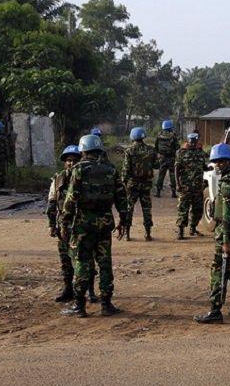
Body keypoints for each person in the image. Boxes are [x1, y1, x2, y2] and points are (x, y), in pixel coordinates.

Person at [60, 134, 128, 318]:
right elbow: (121, 197)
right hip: (105, 223)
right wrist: (123, 219)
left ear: (84, 150)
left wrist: (64, 222)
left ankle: (79, 306)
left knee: (82, 262)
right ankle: (106, 304)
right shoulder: (111, 170)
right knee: (105, 263)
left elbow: (71, 198)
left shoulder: (78, 169)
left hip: (83, 224)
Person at [194, 143, 230, 324]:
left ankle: (215, 311)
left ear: (228, 161)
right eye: (215, 162)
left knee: (219, 270)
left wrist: (226, 240)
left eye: (220, 162)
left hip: (228, 234)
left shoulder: (228, 183)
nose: (217, 165)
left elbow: (227, 215)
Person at [47, 145, 81, 302]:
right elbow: (52, 203)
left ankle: (88, 291)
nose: (71, 163)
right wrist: (52, 225)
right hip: (64, 226)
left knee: (83, 259)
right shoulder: (58, 179)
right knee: (65, 260)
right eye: (68, 160)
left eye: (75, 160)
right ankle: (68, 289)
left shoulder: (84, 178)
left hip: (81, 225)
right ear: (64, 162)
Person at [122, 127, 157, 242]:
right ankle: (147, 234)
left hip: (132, 184)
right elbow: (156, 165)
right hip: (146, 184)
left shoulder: (129, 151)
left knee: (129, 208)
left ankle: (127, 234)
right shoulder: (151, 150)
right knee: (146, 209)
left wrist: (123, 183)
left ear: (132, 137)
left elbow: (126, 170)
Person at [175, 132, 209, 240]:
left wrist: (211, 169)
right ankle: (180, 232)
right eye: (191, 141)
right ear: (188, 141)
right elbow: (176, 169)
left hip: (198, 187)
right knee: (182, 209)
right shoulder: (181, 153)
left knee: (198, 210)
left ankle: (193, 228)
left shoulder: (201, 153)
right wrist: (177, 184)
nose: (193, 143)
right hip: (185, 187)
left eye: (194, 141)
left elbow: (203, 167)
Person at [155, 120, 179, 198]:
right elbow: (177, 147)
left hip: (162, 158)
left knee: (161, 175)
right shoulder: (173, 135)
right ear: (170, 127)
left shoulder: (159, 135)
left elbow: (156, 147)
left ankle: (158, 192)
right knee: (172, 175)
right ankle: (173, 193)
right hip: (171, 158)